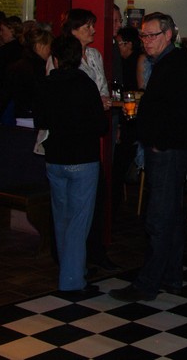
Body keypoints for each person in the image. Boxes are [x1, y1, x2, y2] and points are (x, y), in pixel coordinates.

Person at [111, 12, 187, 301]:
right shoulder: (169, 62)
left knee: (158, 218)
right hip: (168, 148)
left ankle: (148, 283)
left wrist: (159, 141)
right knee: (169, 216)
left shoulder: (174, 64)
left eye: (151, 35)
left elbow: (182, 112)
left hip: (168, 151)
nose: (146, 41)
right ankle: (171, 276)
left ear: (168, 35)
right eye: (143, 36)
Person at [33, 35, 107, 296]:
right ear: (78, 59)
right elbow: (101, 125)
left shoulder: (46, 84)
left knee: (62, 218)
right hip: (82, 158)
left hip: (55, 158)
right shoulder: (85, 84)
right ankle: (72, 280)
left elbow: (41, 121)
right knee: (78, 221)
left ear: (55, 59)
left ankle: (71, 268)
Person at [0, 27, 53, 127]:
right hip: (35, 117)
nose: (50, 51)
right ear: (39, 46)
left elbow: (4, 94)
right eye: (49, 46)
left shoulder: (16, 66)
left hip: (20, 115)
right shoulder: (41, 68)